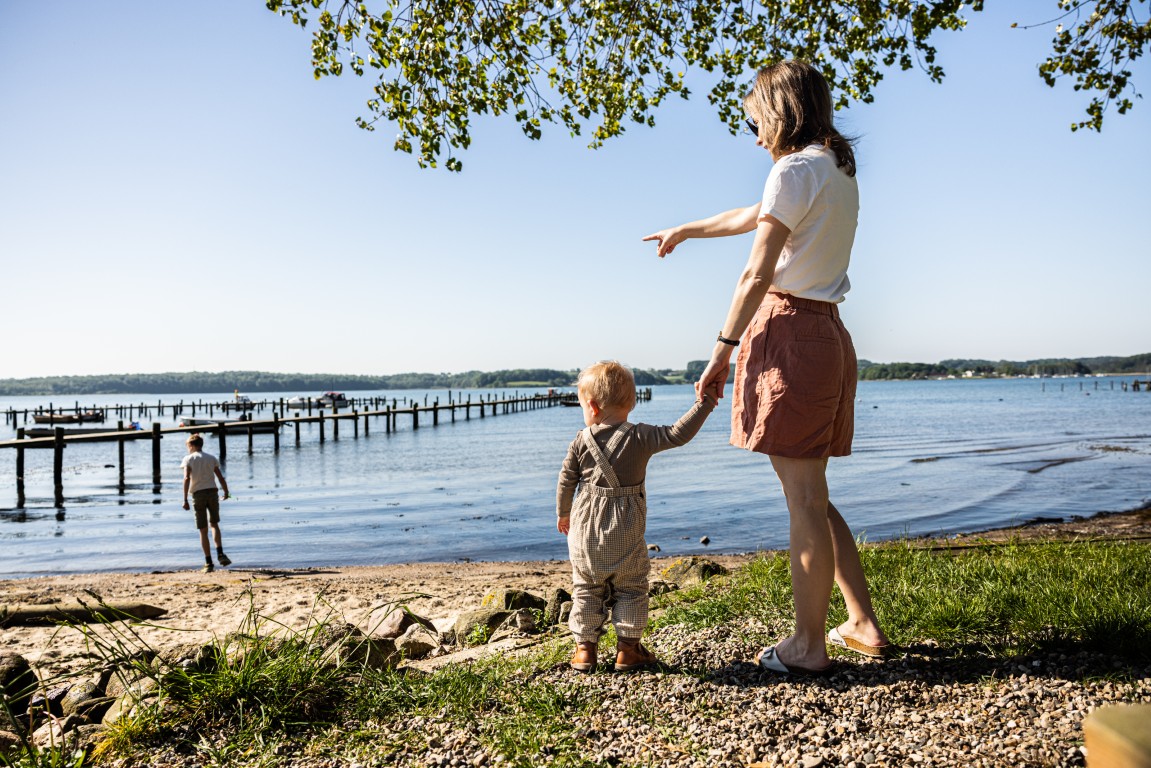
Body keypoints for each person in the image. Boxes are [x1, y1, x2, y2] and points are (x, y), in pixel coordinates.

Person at [642, 60, 890, 674]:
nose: (752, 134)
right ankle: (860, 622)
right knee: (813, 494)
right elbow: (752, 215)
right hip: (828, 334)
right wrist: (688, 229)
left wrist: (721, 350)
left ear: (780, 112)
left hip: (791, 334)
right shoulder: (832, 169)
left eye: (755, 120)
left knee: (804, 499)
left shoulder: (792, 169)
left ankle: (808, 648)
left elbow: (756, 271)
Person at [557, 361, 719, 673]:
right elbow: (678, 434)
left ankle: (584, 651)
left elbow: (566, 481)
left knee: (586, 586)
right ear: (631, 402)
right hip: (624, 531)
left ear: (589, 405)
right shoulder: (641, 436)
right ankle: (628, 650)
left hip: (584, 530)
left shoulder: (581, 440)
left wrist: (563, 514)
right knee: (631, 586)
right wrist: (705, 403)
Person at [181, 433, 232, 573]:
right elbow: (220, 477)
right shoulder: (211, 458)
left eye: (188, 446)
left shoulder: (188, 459)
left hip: (198, 494)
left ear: (190, 446)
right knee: (214, 524)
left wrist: (185, 499)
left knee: (203, 530)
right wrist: (226, 492)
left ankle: (208, 562)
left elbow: (186, 479)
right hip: (212, 492)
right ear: (201, 444)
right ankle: (220, 554)